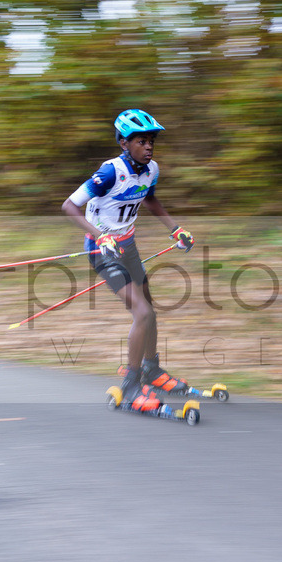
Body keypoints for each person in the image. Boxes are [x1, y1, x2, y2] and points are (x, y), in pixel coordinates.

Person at [61, 109, 195, 412]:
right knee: (143, 313)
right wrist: (99, 235)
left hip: (129, 247)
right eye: (141, 141)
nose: (148, 147)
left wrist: (176, 230)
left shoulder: (152, 169)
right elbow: (69, 206)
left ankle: (152, 370)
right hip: (103, 252)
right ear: (124, 143)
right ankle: (132, 387)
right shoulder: (110, 172)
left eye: (151, 141)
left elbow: (148, 198)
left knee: (151, 311)